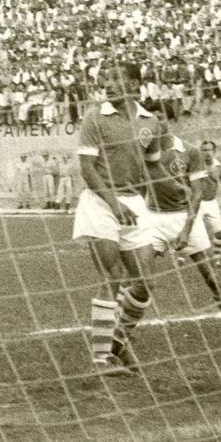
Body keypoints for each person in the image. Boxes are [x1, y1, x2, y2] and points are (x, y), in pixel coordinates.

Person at [102, 109, 221, 370]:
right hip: (154, 219)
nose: (156, 123)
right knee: (137, 279)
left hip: (184, 218)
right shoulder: (142, 151)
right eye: (151, 119)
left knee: (210, 276)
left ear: (168, 122)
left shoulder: (190, 151)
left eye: (161, 118)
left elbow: (196, 194)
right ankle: (120, 334)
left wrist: (186, 229)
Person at [72, 62, 159, 371]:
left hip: (134, 204)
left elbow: (152, 167)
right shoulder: (95, 118)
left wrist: (164, 199)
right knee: (112, 277)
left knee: (144, 283)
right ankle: (100, 357)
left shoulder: (151, 121)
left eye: (116, 79)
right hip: (99, 202)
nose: (108, 84)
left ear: (135, 84)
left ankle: (118, 341)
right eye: (105, 79)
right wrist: (114, 204)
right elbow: (87, 169)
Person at [197, 140, 221, 270]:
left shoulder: (219, 167)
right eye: (204, 150)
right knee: (192, 232)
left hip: (211, 203)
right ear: (200, 151)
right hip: (197, 203)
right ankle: (181, 257)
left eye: (209, 150)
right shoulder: (196, 165)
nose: (207, 153)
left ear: (214, 151)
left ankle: (217, 259)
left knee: (219, 233)